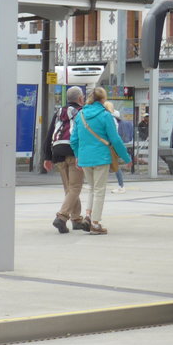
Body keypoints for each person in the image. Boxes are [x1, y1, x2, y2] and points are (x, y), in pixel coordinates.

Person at [71, 87, 132, 235]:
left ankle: (88, 216)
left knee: (92, 188)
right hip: (101, 157)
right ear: (103, 100)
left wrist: (78, 156)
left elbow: (74, 139)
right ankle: (96, 224)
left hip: (85, 158)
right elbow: (115, 140)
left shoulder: (81, 115)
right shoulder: (106, 115)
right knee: (99, 190)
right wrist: (126, 157)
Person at [42, 86, 90, 234]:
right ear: (81, 99)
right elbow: (83, 134)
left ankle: (76, 220)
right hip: (73, 151)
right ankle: (61, 217)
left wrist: (47, 157)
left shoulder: (59, 112)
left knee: (69, 189)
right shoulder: (81, 113)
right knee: (75, 188)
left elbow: (50, 133)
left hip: (57, 151)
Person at [105, 101, 127, 192]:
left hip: (110, 145)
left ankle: (121, 185)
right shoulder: (112, 118)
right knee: (110, 165)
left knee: (114, 165)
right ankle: (121, 185)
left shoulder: (110, 119)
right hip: (112, 145)